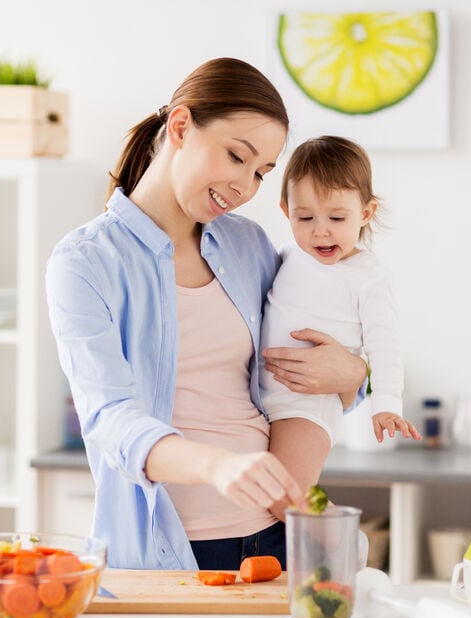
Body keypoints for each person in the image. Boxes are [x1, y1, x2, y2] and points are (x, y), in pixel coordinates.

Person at [45, 59, 368, 571]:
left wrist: (356, 372)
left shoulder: (250, 246)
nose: (245, 186)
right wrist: (216, 465)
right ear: (180, 126)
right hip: (169, 551)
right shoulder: (85, 262)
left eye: (261, 172)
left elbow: (308, 360)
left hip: (276, 538)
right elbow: (110, 419)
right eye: (237, 157)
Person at [261, 136, 421, 509]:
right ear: (286, 212)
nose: (320, 231)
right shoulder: (286, 257)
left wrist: (385, 404)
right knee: (265, 496)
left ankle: (347, 544)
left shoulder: (369, 277)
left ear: (365, 213)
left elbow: (385, 346)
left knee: (286, 500)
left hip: (307, 407)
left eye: (336, 218)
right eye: (305, 218)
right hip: (263, 401)